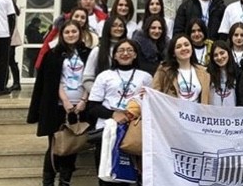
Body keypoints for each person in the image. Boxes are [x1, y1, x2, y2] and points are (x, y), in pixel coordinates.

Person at [27, 20, 94, 186]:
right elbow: (52, 80)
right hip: (58, 106)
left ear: (80, 33)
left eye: (74, 31)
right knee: (55, 146)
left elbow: (92, 77)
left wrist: (84, 100)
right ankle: (48, 182)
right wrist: (65, 100)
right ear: (62, 35)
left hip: (81, 106)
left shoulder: (88, 53)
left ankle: (65, 182)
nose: (71, 35)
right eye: (67, 32)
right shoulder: (53, 54)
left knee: (72, 146)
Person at [87, 39, 153, 185]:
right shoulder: (104, 76)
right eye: (121, 50)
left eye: (129, 50)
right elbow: (93, 107)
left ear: (135, 54)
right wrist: (113, 114)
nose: (125, 53)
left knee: (136, 176)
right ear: (115, 55)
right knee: (107, 176)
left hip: (134, 132)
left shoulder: (146, 77)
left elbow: (153, 105)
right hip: (107, 131)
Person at [153, 34, 211, 103]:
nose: (183, 48)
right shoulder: (164, 71)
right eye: (178, 47)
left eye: (186, 45)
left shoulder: (204, 72)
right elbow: (154, 93)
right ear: (173, 53)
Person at [82, 15, 127, 94]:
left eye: (121, 26)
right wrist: (99, 94)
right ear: (108, 28)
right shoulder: (97, 51)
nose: (118, 28)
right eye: (114, 26)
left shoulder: (129, 50)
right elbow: (87, 79)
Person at [207, 40, 238, 106]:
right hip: (212, 111)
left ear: (228, 53)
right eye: (215, 55)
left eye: (222, 53)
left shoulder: (238, 72)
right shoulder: (207, 73)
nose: (219, 57)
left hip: (234, 111)